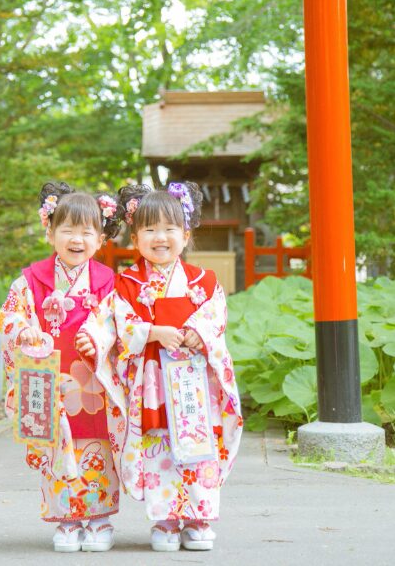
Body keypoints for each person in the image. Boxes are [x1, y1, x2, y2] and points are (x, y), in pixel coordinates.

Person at [75, 182, 243, 552]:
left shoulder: (205, 281)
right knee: (159, 446)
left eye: (169, 229)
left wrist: (201, 333)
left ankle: (198, 517)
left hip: (194, 381)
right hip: (152, 380)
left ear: (185, 234)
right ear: (135, 237)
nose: (160, 237)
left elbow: (216, 317)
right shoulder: (128, 283)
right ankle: (166, 519)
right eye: (149, 229)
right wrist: (151, 331)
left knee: (199, 442)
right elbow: (117, 321)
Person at [0, 182, 122, 553]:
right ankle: (67, 520)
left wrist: (99, 339)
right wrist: (24, 332)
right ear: (50, 232)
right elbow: (9, 316)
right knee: (58, 448)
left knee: (97, 444)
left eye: (87, 232)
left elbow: (118, 322)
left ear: (101, 239)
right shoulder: (30, 280)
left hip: (92, 381)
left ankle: (99, 518)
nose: (76, 239)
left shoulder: (107, 282)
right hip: (49, 378)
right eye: (67, 229)